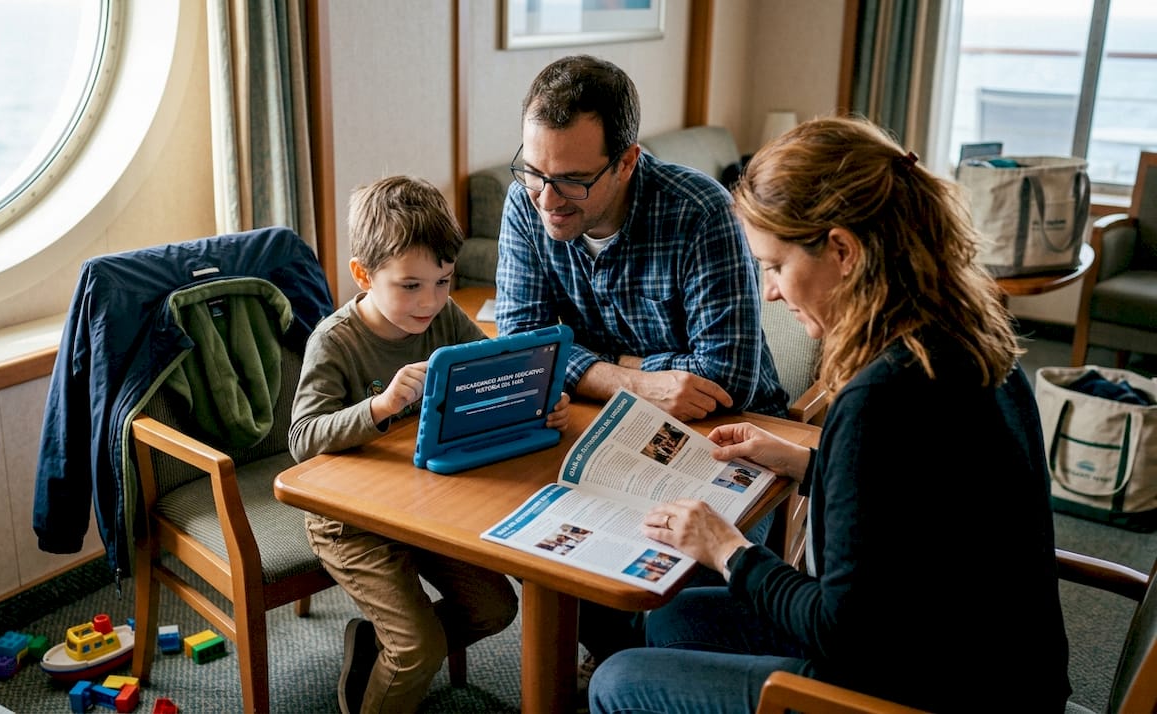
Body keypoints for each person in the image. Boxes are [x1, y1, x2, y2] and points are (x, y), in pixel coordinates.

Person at [587, 115, 1070, 713]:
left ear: (842, 250)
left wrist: (726, 550)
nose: (769, 293)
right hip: (992, 665)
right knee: (676, 616)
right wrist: (806, 462)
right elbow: (920, 505)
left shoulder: (881, 395)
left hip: (920, 689)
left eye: (775, 266)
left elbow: (840, 629)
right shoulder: (968, 340)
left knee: (616, 680)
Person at [496, 53, 791, 686]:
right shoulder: (528, 203)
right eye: (533, 171)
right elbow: (522, 341)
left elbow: (725, 374)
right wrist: (633, 378)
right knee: (528, 533)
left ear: (628, 160)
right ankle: (610, 659)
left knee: (674, 580)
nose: (548, 199)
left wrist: (579, 361)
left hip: (732, 434)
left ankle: (647, 673)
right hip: (599, 421)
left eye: (572, 179)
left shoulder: (698, 211)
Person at [288, 175, 571, 714]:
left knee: (495, 611)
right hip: (351, 525)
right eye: (411, 285)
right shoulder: (335, 340)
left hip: (422, 506)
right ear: (363, 276)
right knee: (417, 648)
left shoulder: (442, 315)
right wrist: (380, 406)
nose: (432, 300)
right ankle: (401, 657)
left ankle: (382, 647)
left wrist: (541, 401)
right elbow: (302, 440)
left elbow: (492, 369)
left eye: (444, 281)